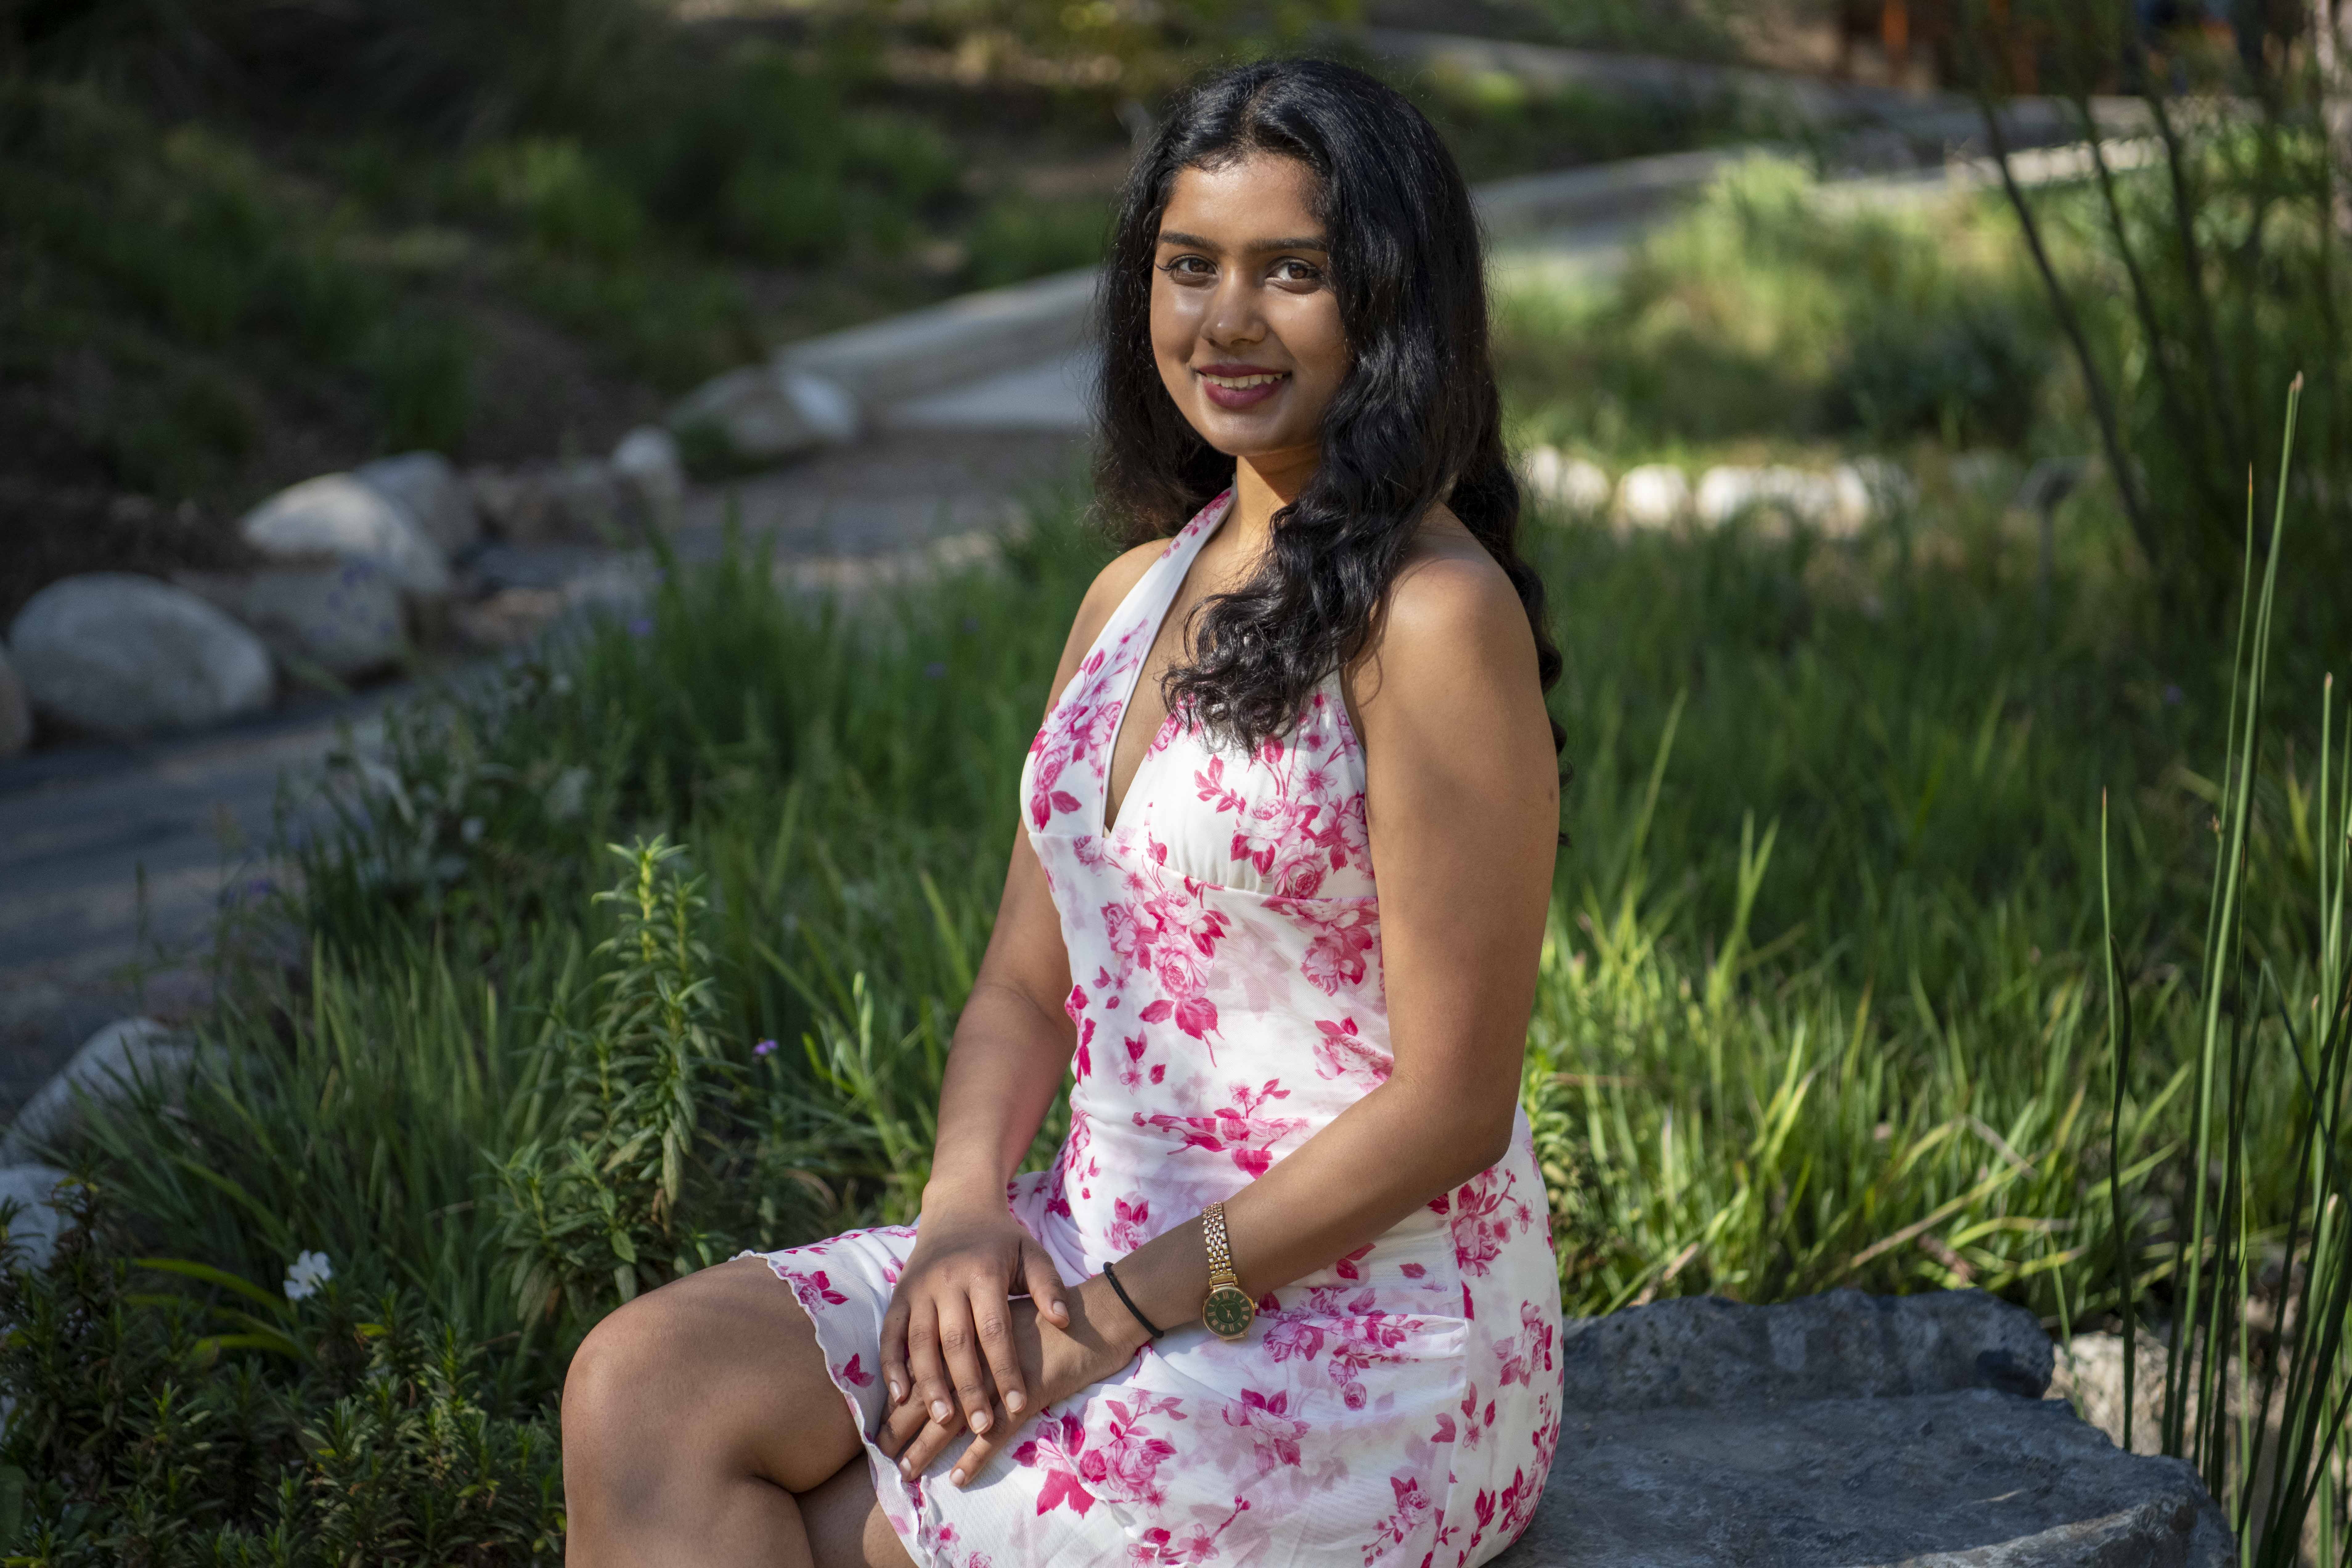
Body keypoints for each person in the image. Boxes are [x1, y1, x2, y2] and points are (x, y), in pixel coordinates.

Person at [560, 56, 1566, 1568]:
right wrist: (966, 1215)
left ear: (1389, 302)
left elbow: (1451, 1107)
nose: (1227, 320)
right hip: (1084, 1227)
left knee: (847, 1525)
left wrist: (1108, 1322)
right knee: (641, 1390)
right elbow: (1025, 986)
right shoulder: (1131, 595)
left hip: (1355, 1324)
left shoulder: (1433, 619)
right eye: (1188, 269)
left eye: (1292, 271)